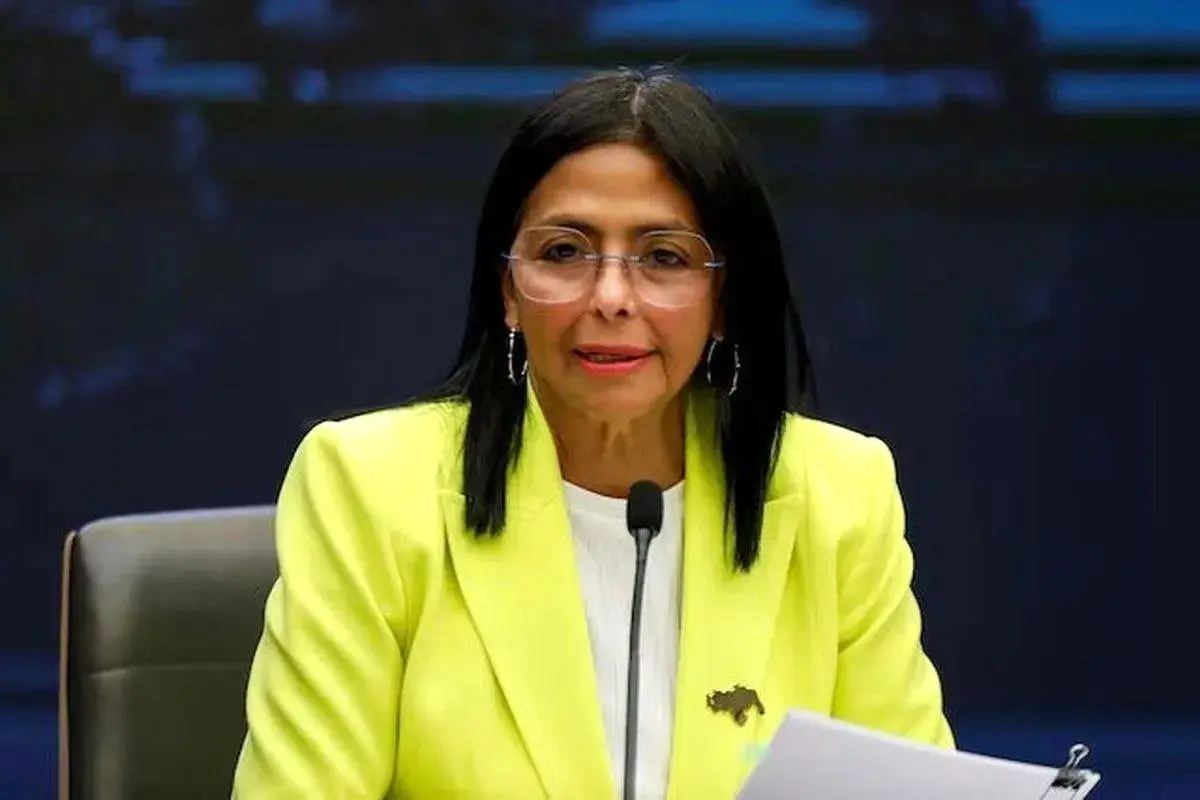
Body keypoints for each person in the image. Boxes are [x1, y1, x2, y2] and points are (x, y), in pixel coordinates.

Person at [232, 67, 953, 799]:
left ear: (724, 299)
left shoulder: (839, 495)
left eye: (663, 257)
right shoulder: (371, 488)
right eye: (564, 252)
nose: (610, 297)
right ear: (509, 290)